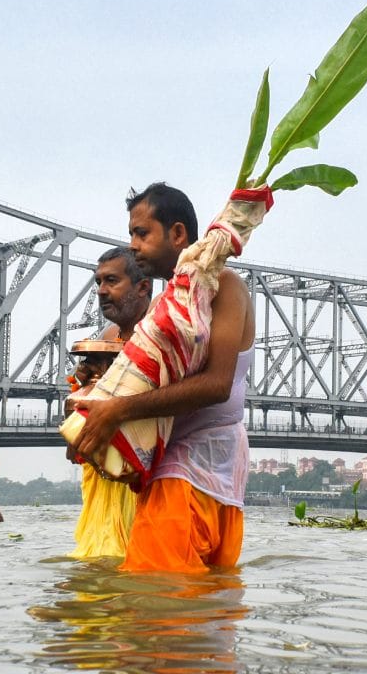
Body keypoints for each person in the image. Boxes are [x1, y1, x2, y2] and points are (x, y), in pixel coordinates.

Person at [74, 183, 256, 574]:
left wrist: (118, 409)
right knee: (201, 617)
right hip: (189, 474)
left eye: (142, 233)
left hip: (197, 476)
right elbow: (145, 374)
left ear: (177, 234)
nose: (133, 245)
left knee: (153, 608)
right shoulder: (164, 306)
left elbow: (217, 384)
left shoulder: (226, 286)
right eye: (131, 235)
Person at [67, 247, 152, 559]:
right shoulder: (107, 335)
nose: (101, 291)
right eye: (98, 282)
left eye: (112, 281)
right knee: (97, 567)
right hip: (102, 474)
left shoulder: (158, 332)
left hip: (144, 473)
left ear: (143, 287)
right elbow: (74, 448)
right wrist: (84, 385)